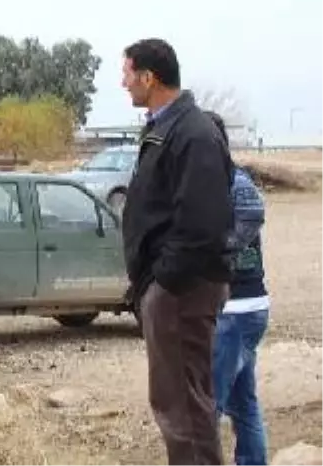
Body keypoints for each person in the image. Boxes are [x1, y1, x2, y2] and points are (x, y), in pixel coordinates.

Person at [120, 37, 234, 465]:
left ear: (150, 77)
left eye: (128, 73)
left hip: (183, 290)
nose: (123, 83)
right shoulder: (165, 128)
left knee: (184, 406)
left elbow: (202, 225)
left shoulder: (193, 133)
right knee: (176, 402)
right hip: (170, 289)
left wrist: (163, 284)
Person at [205, 110, 270, 466]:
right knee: (243, 404)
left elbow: (252, 213)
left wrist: (211, 253)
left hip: (237, 309)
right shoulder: (215, 178)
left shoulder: (234, 181)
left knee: (207, 406)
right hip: (242, 310)